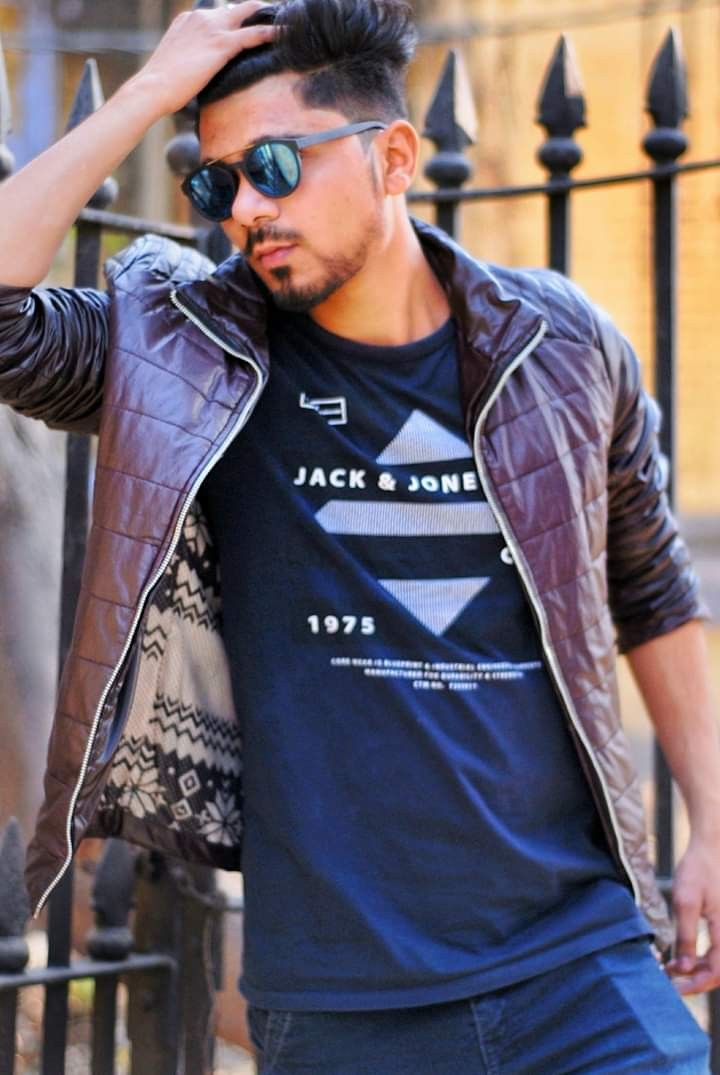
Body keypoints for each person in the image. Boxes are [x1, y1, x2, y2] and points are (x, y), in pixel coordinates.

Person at [0, 0, 718, 1070]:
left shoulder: (561, 346)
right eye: (218, 183)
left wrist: (712, 822)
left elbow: (651, 587)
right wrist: (149, 93)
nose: (247, 208)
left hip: (579, 965)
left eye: (276, 165)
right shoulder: (188, 360)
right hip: (341, 1001)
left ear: (394, 157)